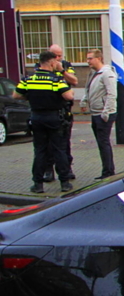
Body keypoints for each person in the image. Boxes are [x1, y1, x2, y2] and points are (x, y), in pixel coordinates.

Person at [15, 51, 76, 193]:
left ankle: (37, 184)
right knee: (59, 150)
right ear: (52, 62)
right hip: (54, 117)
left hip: (36, 117)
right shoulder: (55, 80)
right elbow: (68, 96)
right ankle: (65, 182)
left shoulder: (29, 79)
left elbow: (16, 94)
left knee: (40, 151)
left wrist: (31, 99)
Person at [36, 44, 78, 182]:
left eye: (60, 55)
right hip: (47, 108)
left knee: (64, 142)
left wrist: (62, 71)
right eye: (56, 56)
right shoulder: (40, 65)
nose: (59, 58)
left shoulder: (65, 65)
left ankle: (67, 169)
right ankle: (48, 170)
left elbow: (74, 81)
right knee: (46, 145)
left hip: (63, 109)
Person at [81, 49, 117, 179]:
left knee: (103, 143)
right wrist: (84, 101)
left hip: (103, 113)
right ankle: (107, 170)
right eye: (87, 58)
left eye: (90, 58)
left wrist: (106, 112)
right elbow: (89, 89)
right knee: (101, 143)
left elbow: (112, 93)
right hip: (96, 113)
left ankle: (108, 172)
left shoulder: (106, 73)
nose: (88, 61)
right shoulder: (94, 74)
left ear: (99, 58)